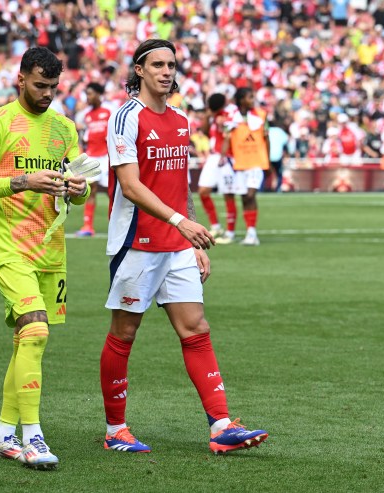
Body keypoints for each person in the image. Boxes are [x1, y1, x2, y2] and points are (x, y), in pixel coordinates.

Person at [100, 38, 269, 455]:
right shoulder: (125, 118)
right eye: (157, 64)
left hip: (176, 244)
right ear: (139, 70)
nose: (166, 71)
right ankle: (114, 429)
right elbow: (130, 185)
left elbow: (181, 186)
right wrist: (181, 222)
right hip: (136, 243)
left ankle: (221, 426)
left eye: (171, 64)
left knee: (196, 328)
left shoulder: (179, 119)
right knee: (124, 332)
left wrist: (191, 238)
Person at [0, 47, 92, 470]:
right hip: (9, 246)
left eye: (54, 87)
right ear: (20, 79)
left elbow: (82, 182)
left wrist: (79, 189)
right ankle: (33, 436)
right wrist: (23, 181)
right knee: (36, 332)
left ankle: (4, 437)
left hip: (51, 249)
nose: (47, 94)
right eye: (40, 85)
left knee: (26, 340)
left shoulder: (64, 128)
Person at [222, 87, 270, 246]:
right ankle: (251, 232)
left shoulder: (261, 115)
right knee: (243, 197)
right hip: (240, 162)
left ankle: (252, 232)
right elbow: (226, 138)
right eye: (250, 97)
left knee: (250, 195)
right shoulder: (231, 118)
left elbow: (266, 137)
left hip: (257, 161)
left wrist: (268, 161)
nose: (252, 100)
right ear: (241, 100)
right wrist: (224, 156)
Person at [196, 92, 239, 241]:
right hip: (214, 156)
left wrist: (223, 154)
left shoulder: (232, 112)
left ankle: (230, 233)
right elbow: (206, 131)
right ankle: (216, 227)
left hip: (227, 157)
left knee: (228, 194)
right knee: (203, 191)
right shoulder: (214, 115)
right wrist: (208, 116)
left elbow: (230, 133)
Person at [75, 82, 112, 237]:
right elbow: (81, 137)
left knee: (113, 193)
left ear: (98, 94)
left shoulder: (110, 110)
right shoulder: (85, 115)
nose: (87, 97)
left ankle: (115, 225)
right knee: (91, 191)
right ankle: (87, 226)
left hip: (107, 157)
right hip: (91, 157)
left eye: (90, 94)